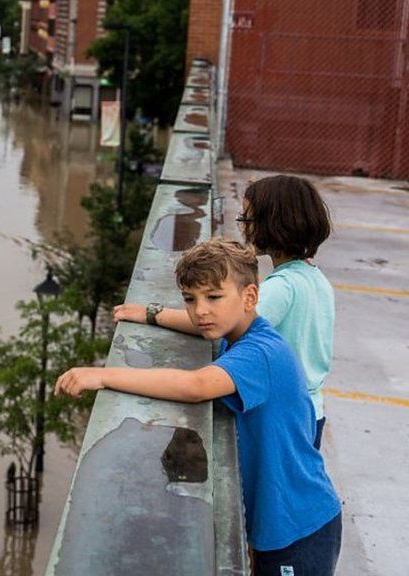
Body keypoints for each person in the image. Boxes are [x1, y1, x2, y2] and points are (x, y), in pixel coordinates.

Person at [57, 238, 342, 575]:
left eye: (214, 297)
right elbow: (200, 324)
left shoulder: (260, 353)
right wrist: (151, 314)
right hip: (280, 520)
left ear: (250, 296)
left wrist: (102, 376)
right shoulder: (239, 333)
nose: (200, 310)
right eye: (190, 299)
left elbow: (196, 386)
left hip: (299, 528)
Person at [113, 175, 334, 449]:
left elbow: (219, 322)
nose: (242, 227)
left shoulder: (283, 287)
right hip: (311, 408)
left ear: (273, 224)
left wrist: (153, 314)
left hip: (288, 417)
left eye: (248, 219)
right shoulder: (314, 278)